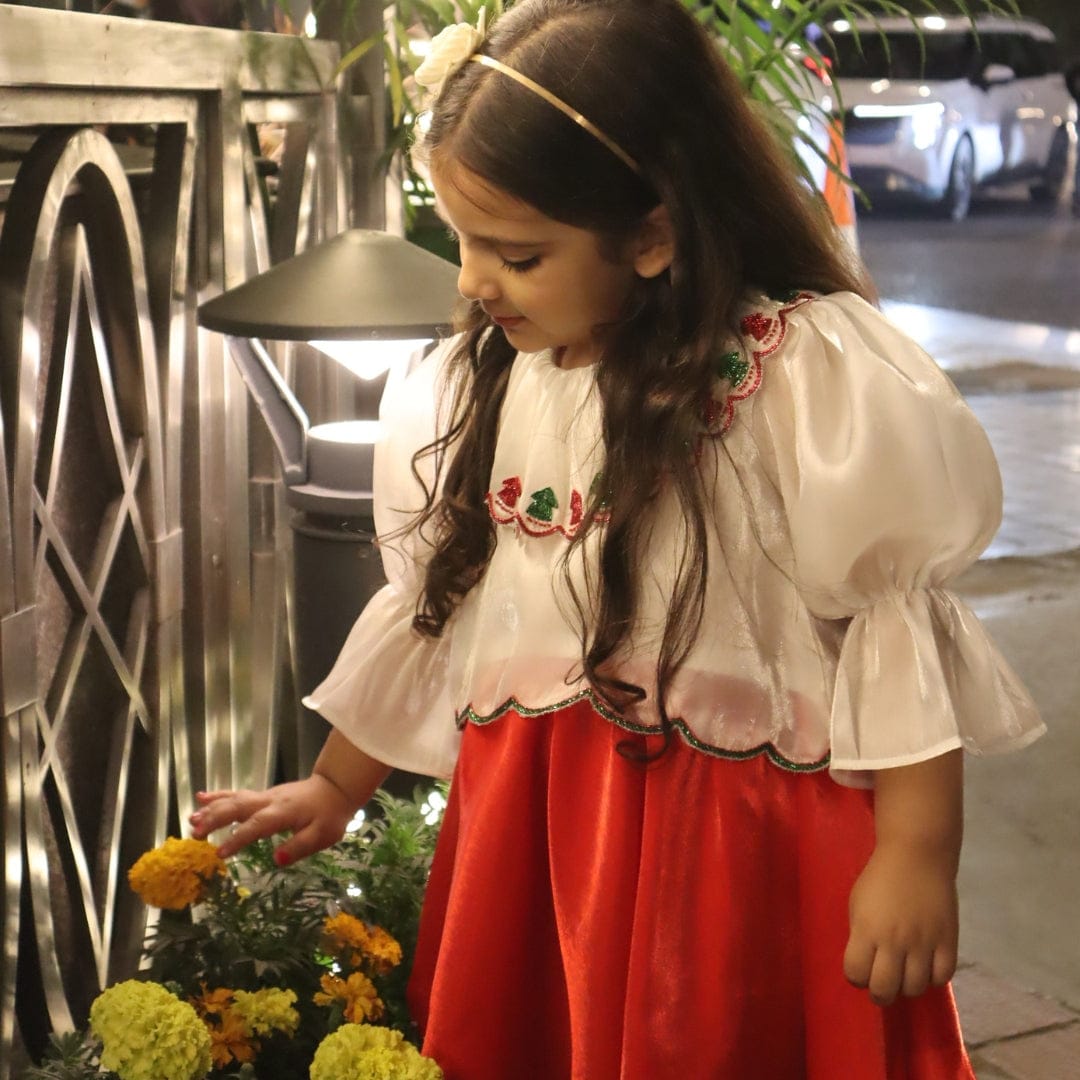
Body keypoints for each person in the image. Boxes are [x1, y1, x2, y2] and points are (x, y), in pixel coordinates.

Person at [190, 1, 1045, 1076]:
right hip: (537, 840)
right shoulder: (486, 382)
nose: (470, 281)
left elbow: (891, 618)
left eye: (516, 252)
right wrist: (337, 783)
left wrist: (919, 852)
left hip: (735, 847)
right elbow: (448, 599)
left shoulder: (795, 382)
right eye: (464, 241)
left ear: (653, 233)